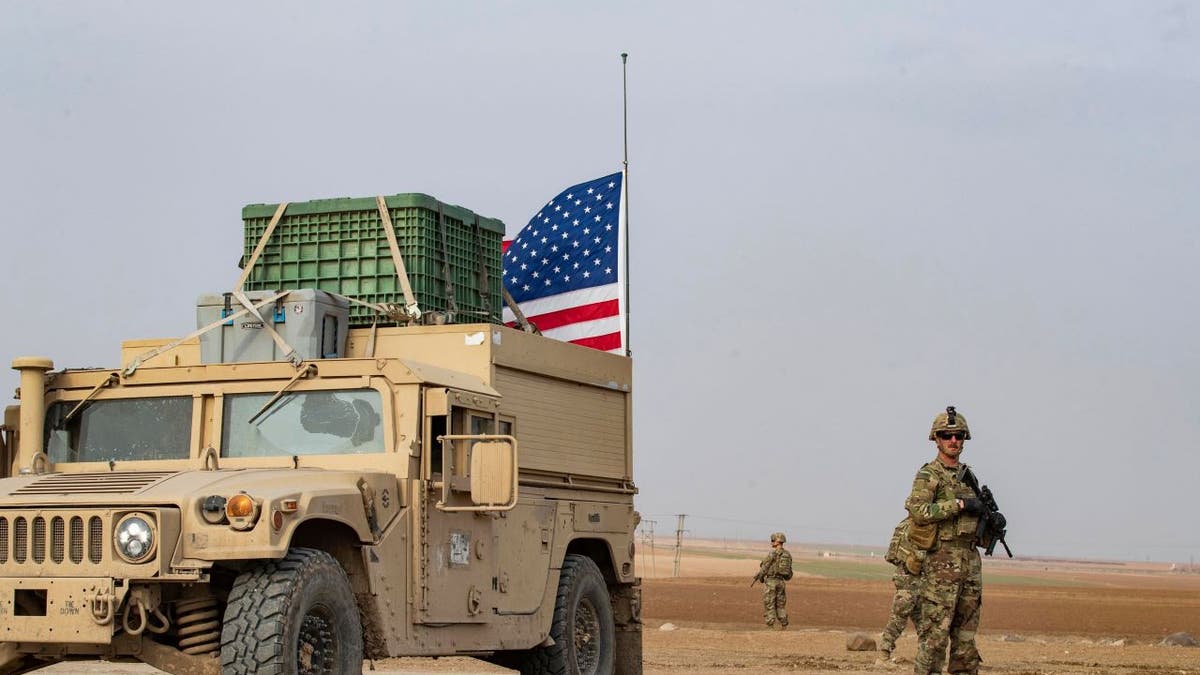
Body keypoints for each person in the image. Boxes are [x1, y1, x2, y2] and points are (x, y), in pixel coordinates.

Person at [905, 406, 985, 675]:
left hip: (970, 563)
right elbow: (918, 510)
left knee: (965, 640)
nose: (953, 441)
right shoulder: (930, 475)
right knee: (935, 639)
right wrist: (959, 504)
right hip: (941, 565)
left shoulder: (968, 476)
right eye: (946, 435)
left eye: (958, 435)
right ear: (936, 439)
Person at [879, 517, 921, 661]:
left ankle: (925, 657)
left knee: (923, 620)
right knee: (899, 615)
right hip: (909, 577)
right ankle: (884, 653)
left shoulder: (904, 523)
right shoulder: (918, 526)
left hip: (906, 576)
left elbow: (891, 555)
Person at [754, 532, 794, 630]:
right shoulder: (787, 554)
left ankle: (770, 626)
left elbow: (765, 567)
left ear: (777, 541)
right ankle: (784, 624)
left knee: (769, 603)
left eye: (773, 540)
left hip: (771, 582)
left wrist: (760, 577)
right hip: (781, 582)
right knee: (780, 605)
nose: (771, 542)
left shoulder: (772, 554)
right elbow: (789, 573)